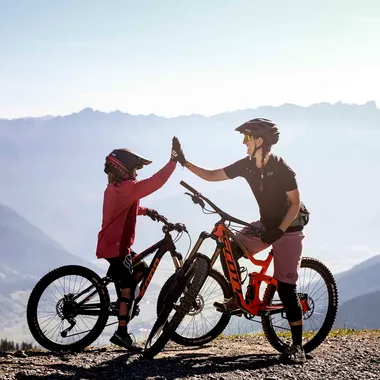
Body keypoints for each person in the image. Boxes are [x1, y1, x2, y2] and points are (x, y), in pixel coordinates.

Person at [177, 118, 309, 364]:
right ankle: (238, 298)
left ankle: (297, 347)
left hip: (289, 229)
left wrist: (279, 231)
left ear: (260, 141)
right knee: (231, 248)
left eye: (247, 138)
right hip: (265, 225)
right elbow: (211, 175)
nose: (243, 142)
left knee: (286, 288)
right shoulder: (247, 165)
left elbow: (295, 204)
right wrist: (184, 162)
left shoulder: (282, 169)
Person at [96, 137, 186, 351]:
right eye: (135, 171)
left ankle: (122, 306)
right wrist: (173, 161)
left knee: (140, 269)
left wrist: (147, 212)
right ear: (124, 169)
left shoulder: (117, 189)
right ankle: (121, 332)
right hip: (117, 247)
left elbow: (125, 208)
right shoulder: (126, 188)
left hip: (115, 245)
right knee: (128, 285)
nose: (137, 175)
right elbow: (156, 181)